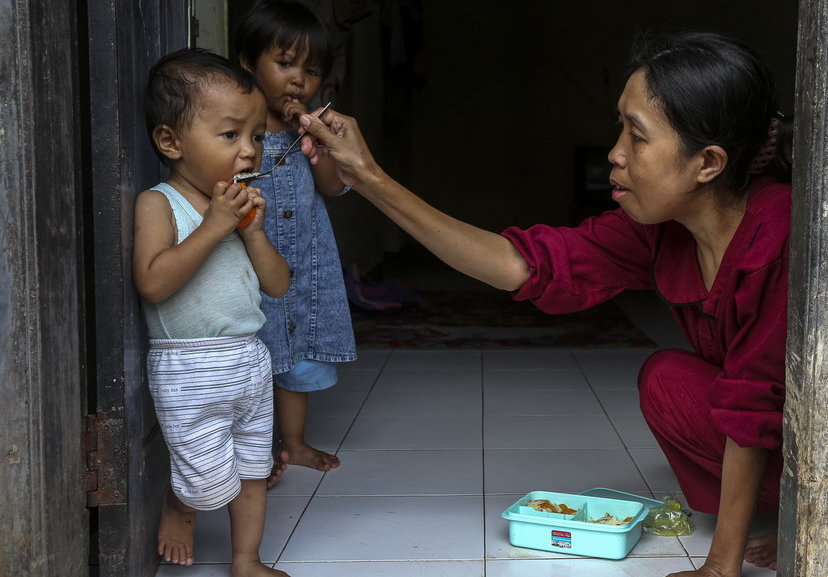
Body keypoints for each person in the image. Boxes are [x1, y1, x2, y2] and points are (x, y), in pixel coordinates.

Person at [299, 31, 793, 576]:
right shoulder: (662, 229)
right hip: (768, 431)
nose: (616, 153)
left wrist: (721, 566)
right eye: (619, 127)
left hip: (823, 448)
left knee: (737, 403)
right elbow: (518, 263)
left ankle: (797, 513)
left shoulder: (776, 237)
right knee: (666, 379)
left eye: (637, 136)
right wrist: (367, 177)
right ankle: (773, 515)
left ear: (708, 162)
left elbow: (753, 409)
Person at [134, 47, 291, 576]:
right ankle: (181, 505)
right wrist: (216, 227)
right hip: (190, 365)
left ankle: (247, 560)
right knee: (206, 480)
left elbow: (278, 285)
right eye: (231, 136)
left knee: (252, 468)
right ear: (170, 141)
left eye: (257, 137)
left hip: (249, 358)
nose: (249, 152)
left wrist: (256, 234)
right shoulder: (159, 204)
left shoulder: (239, 211)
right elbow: (154, 283)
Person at [234, 0, 358, 487]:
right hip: (247, 265)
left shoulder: (312, 129)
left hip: (304, 266)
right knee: (253, 359)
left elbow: (331, 186)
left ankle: (294, 443)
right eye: (284, 64)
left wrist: (320, 144)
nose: (297, 80)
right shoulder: (238, 130)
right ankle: (252, 455)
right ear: (248, 64)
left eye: (310, 70)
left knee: (298, 360)